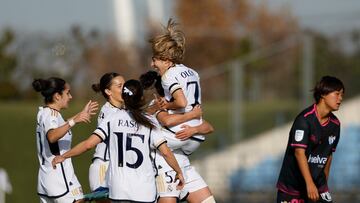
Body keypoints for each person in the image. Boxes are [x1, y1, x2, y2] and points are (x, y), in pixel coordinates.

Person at [52, 79, 185, 203]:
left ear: (124, 97)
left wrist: (63, 156)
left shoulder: (112, 118)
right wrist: (179, 172)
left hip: (119, 191)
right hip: (144, 191)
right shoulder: (149, 121)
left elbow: (88, 144)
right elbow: (166, 152)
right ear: (142, 98)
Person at [140, 71, 216, 203]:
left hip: (184, 164)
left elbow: (209, 127)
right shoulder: (156, 104)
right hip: (164, 164)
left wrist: (194, 129)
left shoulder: (177, 107)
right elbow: (167, 121)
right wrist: (192, 115)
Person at [276, 76, 344, 203]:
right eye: (337, 94)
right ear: (323, 94)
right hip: (293, 187)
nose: (340, 98)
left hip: (316, 186)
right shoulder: (304, 120)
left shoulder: (335, 124)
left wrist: (324, 185)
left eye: (342, 95)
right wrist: (309, 184)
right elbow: (299, 153)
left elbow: (328, 155)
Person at [32, 77, 98, 203]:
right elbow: (52, 136)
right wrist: (75, 120)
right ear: (57, 96)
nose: (71, 97)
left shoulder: (45, 112)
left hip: (46, 177)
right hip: (60, 177)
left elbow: (59, 126)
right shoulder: (51, 115)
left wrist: (79, 115)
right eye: (67, 93)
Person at [149, 18, 205, 156]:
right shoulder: (192, 72)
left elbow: (181, 103)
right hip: (196, 135)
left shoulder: (168, 76)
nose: (152, 65)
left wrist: (166, 106)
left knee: (137, 136)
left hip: (178, 133)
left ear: (167, 62)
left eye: (155, 60)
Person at [89, 72, 125, 200]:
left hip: (114, 167)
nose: (124, 89)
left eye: (124, 85)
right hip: (103, 167)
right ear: (108, 91)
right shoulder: (109, 112)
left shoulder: (122, 110)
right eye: (120, 86)